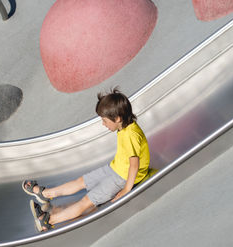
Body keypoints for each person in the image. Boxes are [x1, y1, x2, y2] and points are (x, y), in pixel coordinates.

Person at [22, 87, 150, 231]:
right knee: (81, 181)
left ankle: (49, 220)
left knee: (87, 201)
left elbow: (134, 164)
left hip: (123, 178)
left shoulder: (130, 135)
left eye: (105, 121)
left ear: (118, 118)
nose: (103, 124)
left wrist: (127, 188)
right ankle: (45, 194)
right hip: (115, 168)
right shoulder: (124, 127)